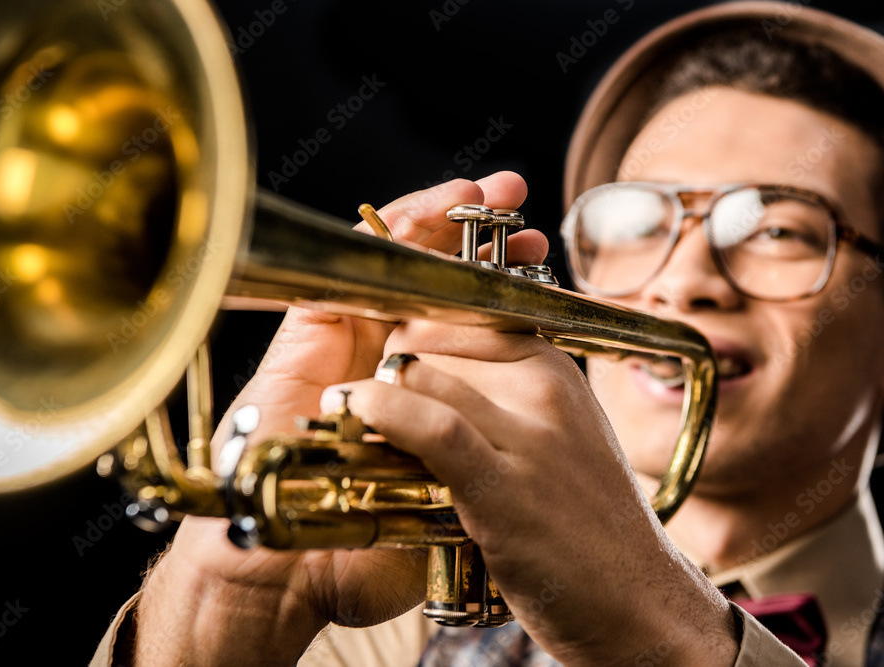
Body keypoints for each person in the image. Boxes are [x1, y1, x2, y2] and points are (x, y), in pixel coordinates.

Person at [91, 2, 884, 665]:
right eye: (637, 221)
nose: (684, 278)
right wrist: (222, 601)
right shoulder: (360, 632)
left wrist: (663, 629)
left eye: (778, 229)